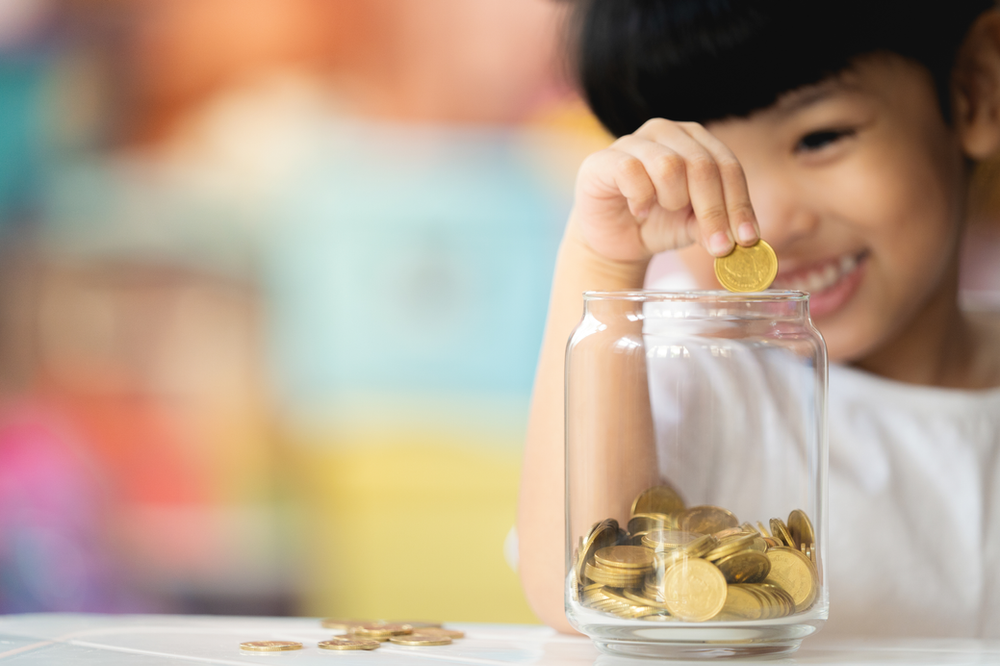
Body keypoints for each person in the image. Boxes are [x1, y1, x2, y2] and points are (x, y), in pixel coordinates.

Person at [518, 0, 1000, 638]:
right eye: (698, 170)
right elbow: (577, 587)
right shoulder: (689, 366)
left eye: (820, 138)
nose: (764, 221)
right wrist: (601, 263)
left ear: (975, 91)